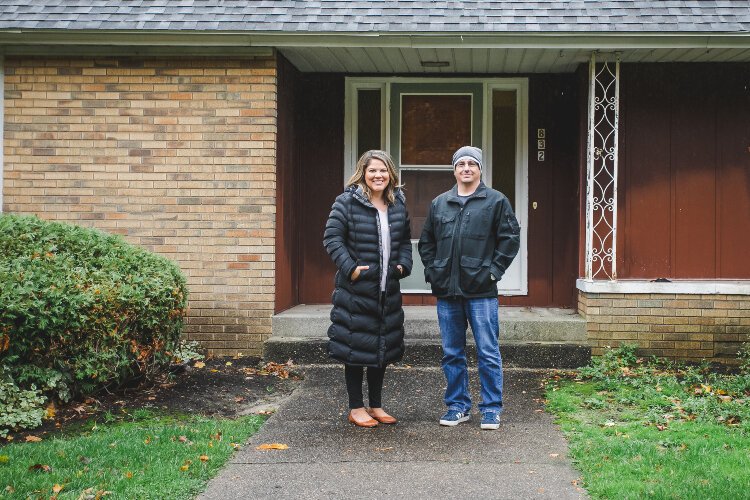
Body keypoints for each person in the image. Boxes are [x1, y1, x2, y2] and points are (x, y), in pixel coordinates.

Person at [418, 146, 520, 430]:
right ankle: (457, 406)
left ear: (479, 169)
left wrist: (493, 272)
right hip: (447, 292)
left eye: (471, 164)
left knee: (488, 351)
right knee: (452, 352)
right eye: (460, 163)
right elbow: (427, 243)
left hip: (481, 293)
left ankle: (491, 409)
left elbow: (510, 239)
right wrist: (434, 270)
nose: (466, 168)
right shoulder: (440, 203)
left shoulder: (496, 201)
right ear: (454, 170)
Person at [323, 150, 413, 428]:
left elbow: (404, 243)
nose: (378, 176)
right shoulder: (347, 202)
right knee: (355, 348)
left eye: (383, 170)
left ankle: (375, 405)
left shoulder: (397, 204)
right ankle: (355, 407)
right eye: (373, 170)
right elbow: (332, 238)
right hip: (357, 289)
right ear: (363, 173)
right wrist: (350, 268)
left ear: (391, 175)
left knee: (381, 349)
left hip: (387, 289)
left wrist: (402, 266)